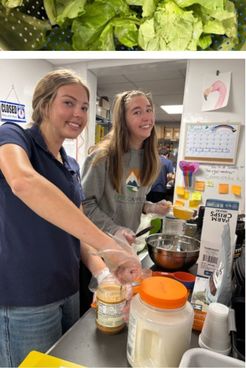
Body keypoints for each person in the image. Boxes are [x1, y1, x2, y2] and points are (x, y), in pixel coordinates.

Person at [0, 69, 141, 367]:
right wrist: (109, 245)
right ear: (44, 105)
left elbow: (79, 231)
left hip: (68, 291)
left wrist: (103, 273)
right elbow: (22, 182)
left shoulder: (71, 164)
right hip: (26, 298)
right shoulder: (13, 137)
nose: (79, 113)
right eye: (68, 103)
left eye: (85, 107)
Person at [81, 89, 172, 244]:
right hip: (98, 246)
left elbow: (133, 198)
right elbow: (84, 204)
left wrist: (151, 208)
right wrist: (114, 229)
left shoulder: (150, 160)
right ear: (123, 120)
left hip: (127, 244)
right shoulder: (102, 157)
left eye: (148, 110)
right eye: (137, 112)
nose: (147, 117)